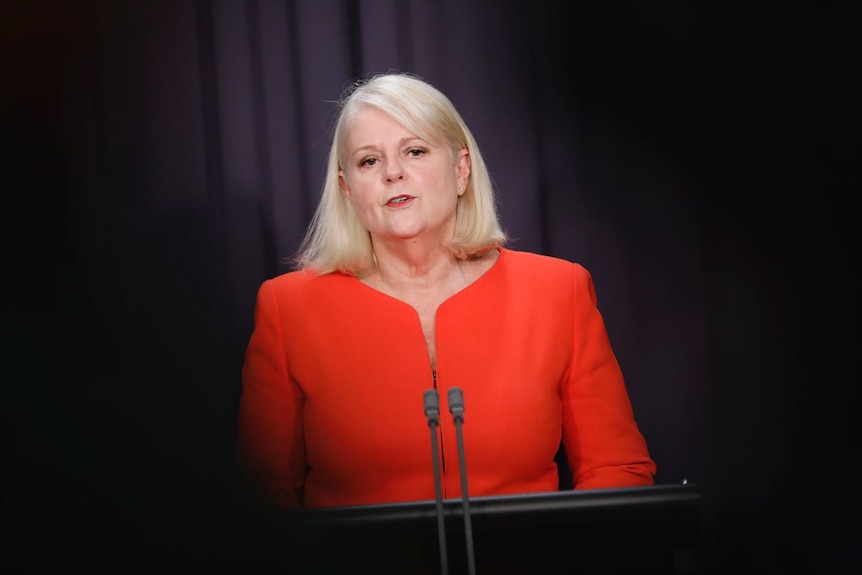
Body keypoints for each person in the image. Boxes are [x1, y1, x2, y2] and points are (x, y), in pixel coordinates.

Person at [236, 71, 656, 511]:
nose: (393, 173)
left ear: (461, 170)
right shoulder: (289, 310)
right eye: (368, 162)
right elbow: (261, 499)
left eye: (414, 151)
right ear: (347, 190)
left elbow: (617, 469)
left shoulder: (557, 292)